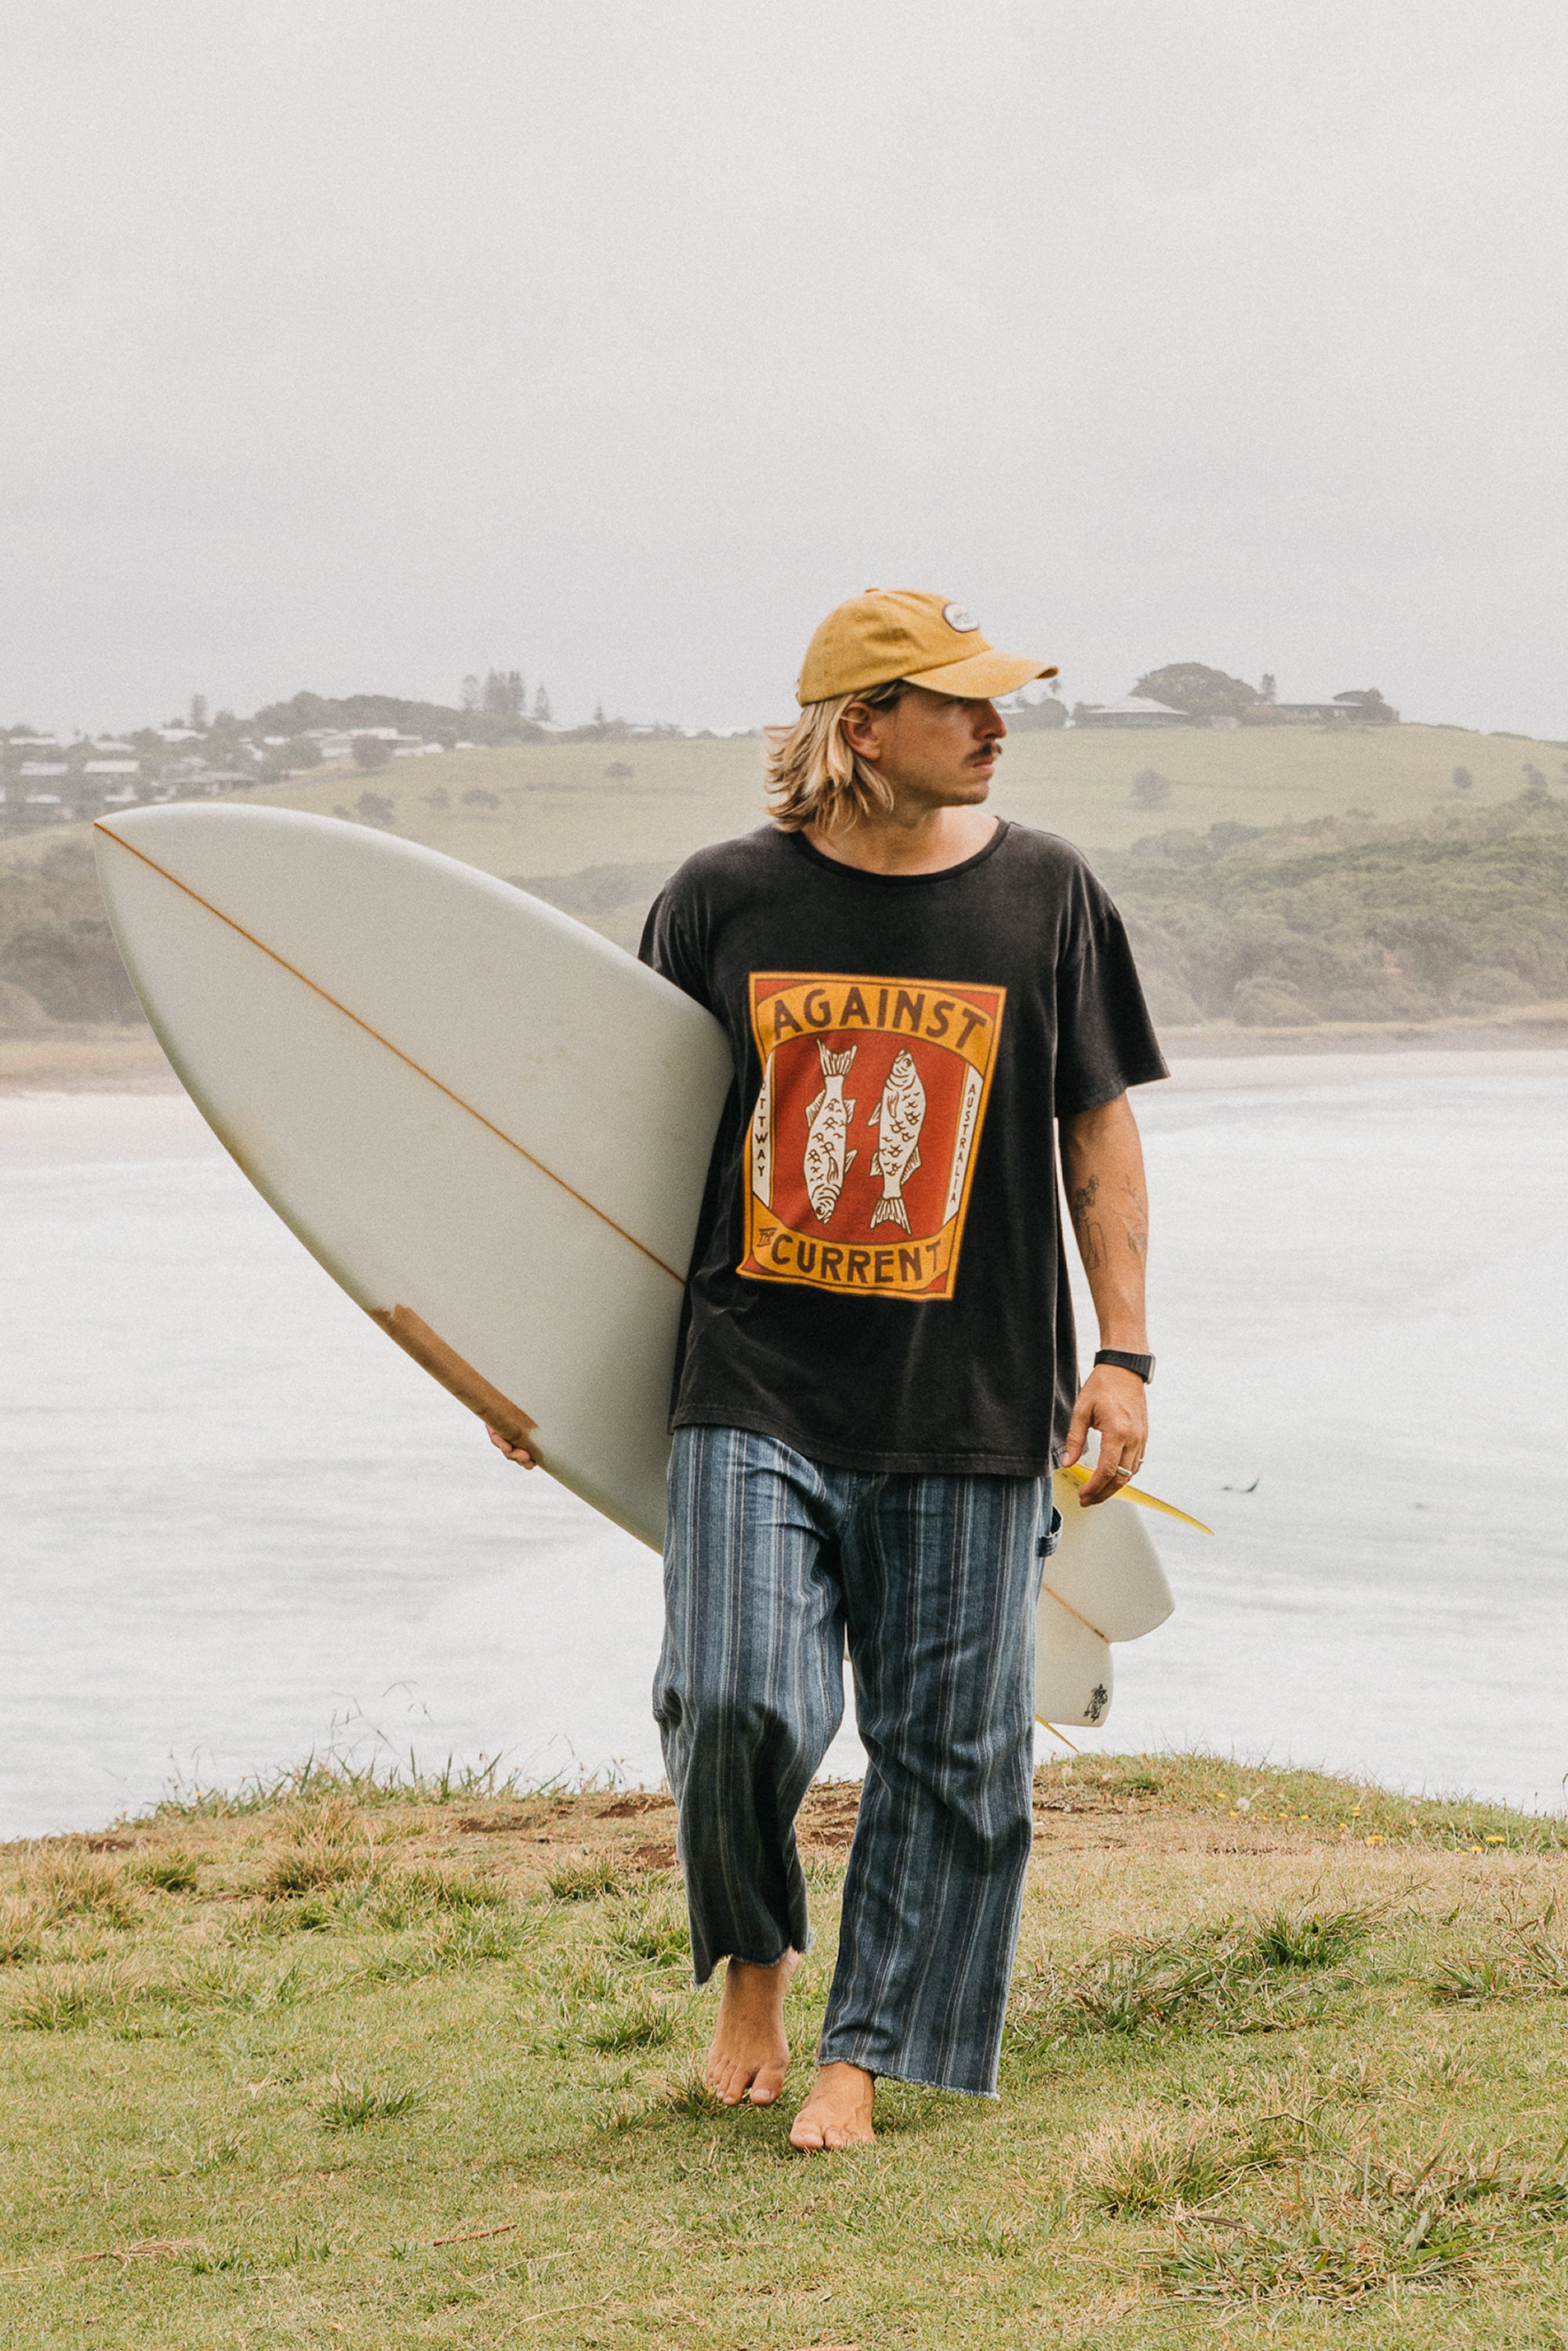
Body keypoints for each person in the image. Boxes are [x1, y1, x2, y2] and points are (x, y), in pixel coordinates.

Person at [494, 589, 1166, 2150]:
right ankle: (755, 1954)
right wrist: (544, 1363)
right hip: (755, 1374)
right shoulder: (724, 898)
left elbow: (1096, 1125)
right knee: (733, 1696)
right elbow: (628, 1144)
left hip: (976, 1384)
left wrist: (1123, 1350)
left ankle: (861, 2060)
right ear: (859, 725)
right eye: (957, 703)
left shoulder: (1048, 893)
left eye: (998, 702)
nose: (996, 726)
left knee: (951, 1750)